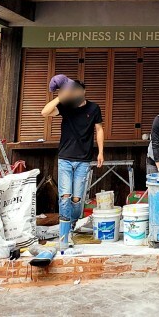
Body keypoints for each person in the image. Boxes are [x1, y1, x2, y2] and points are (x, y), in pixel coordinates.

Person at [40, 74, 104, 247]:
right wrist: (60, 97)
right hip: (65, 158)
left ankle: (73, 223)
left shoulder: (94, 108)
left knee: (76, 199)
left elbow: (99, 130)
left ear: (83, 91)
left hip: (84, 159)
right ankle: (64, 233)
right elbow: (45, 112)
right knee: (65, 196)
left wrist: (101, 152)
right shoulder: (66, 105)